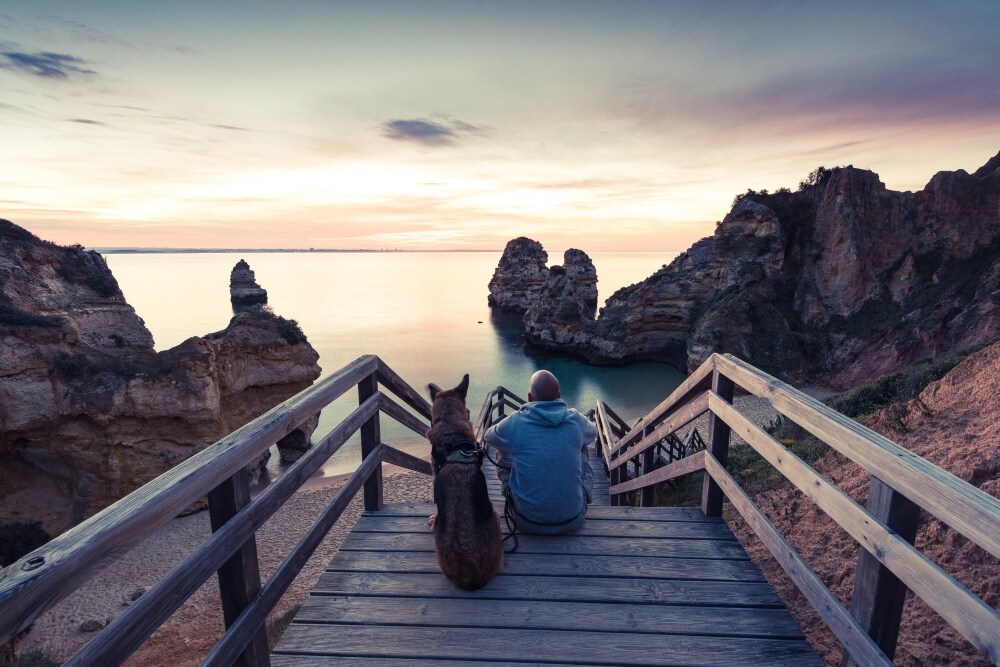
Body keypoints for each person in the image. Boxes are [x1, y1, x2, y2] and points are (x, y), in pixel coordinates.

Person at [484, 369, 596, 535]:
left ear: (529, 397)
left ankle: (509, 489)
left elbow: (489, 437)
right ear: (559, 394)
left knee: (502, 449)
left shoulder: (516, 421)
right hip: (573, 519)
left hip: (525, 521)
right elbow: (592, 434)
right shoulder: (576, 419)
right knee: (583, 446)